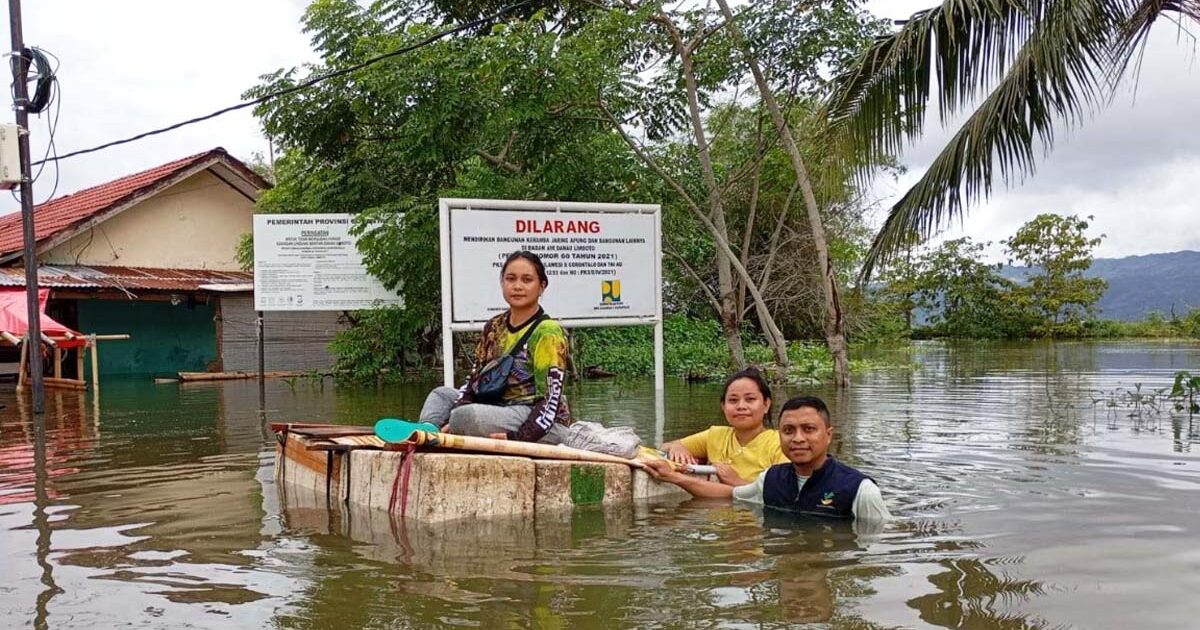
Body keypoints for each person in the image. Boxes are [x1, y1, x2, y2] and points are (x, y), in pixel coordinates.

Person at [644, 395, 890, 521]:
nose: (798, 438)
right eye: (789, 430)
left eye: (809, 429)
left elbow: (881, 543)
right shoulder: (771, 479)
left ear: (828, 435)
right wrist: (674, 477)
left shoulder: (859, 490)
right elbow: (727, 495)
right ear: (779, 434)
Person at [419, 250, 572, 443]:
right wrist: (457, 408)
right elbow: (475, 379)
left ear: (541, 287)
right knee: (441, 395)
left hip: (536, 419)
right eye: (510, 279)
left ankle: (449, 429)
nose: (517, 286)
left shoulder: (547, 332)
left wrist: (519, 438)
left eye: (527, 280)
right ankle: (427, 433)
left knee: (466, 417)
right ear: (502, 283)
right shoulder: (494, 326)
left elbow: (550, 400)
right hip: (496, 405)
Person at [659, 367, 790, 485]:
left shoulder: (780, 443)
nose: (741, 406)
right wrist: (677, 447)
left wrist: (737, 482)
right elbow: (664, 448)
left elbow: (783, 493)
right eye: (733, 400)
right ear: (723, 406)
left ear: (766, 404)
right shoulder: (715, 435)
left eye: (750, 399)